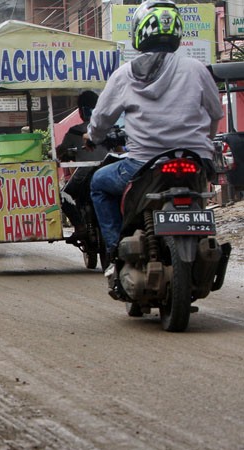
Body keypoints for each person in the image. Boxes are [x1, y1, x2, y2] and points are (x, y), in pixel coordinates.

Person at [84, 0, 223, 273]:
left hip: (142, 165)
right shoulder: (197, 69)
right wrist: (203, 144)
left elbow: (100, 120)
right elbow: (215, 113)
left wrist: (92, 137)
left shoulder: (124, 75)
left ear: (139, 33)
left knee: (98, 184)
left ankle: (114, 254)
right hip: (195, 161)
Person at [57, 91, 108, 242]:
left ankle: (80, 227)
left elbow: (61, 151)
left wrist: (62, 153)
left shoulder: (75, 131)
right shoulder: (109, 127)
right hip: (107, 168)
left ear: (80, 111)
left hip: (84, 172)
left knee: (63, 196)